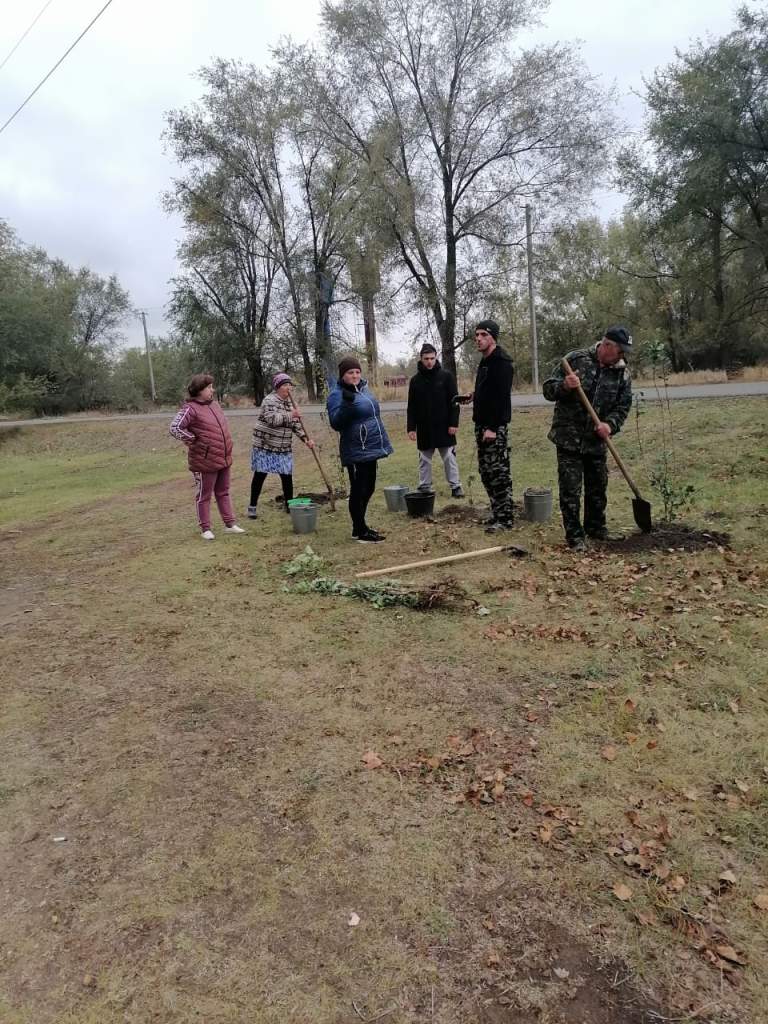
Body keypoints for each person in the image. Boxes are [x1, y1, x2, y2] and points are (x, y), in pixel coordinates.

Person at [543, 326, 633, 551]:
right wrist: (565, 385)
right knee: (571, 491)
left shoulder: (622, 373)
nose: (622, 356)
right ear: (607, 345)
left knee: (597, 487)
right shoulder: (576, 359)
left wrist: (609, 425)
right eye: (620, 351)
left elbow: (623, 407)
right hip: (568, 439)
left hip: (595, 441)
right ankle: (575, 537)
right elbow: (548, 390)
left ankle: (596, 528)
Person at [169, 373, 245, 541]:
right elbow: (175, 428)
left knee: (223, 492)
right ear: (199, 390)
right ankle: (205, 529)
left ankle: (230, 524)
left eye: (212, 386)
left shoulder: (215, 405)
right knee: (204, 495)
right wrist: (193, 440)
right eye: (209, 387)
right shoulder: (190, 408)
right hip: (204, 460)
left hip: (224, 457)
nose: (213, 390)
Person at [326, 355, 393, 543]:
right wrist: (347, 404)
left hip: (371, 446)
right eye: (350, 372)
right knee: (359, 489)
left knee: (369, 488)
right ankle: (360, 530)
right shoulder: (336, 395)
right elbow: (336, 423)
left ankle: (360, 527)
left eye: (357, 372)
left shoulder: (364, 389)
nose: (354, 375)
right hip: (355, 449)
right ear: (343, 375)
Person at [458, 319, 514, 533]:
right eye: (477, 335)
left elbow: (501, 398)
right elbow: (488, 391)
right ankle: (497, 513)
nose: (478, 339)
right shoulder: (485, 361)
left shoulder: (501, 362)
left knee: (498, 472)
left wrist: (492, 427)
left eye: (483, 335)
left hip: (494, 427)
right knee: (486, 472)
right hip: (481, 425)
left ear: (493, 337)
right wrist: (474, 396)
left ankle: (506, 519)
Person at [247, 372, 315, 519]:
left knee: (286, 476)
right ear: (278, 387)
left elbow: (296, 425)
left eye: (290, 385)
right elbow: (273, 419)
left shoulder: (291, 403)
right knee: (260, 475)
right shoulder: (269, 400)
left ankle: (290, 506)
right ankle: (252, 506)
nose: (288, 387)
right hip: (265, 445)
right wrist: (292, 414)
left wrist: (306, 439)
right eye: (285, 385)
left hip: (283, 446)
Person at [406, 342, 464, 498]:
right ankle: (424, 486)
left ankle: (456, 486)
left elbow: (455, 401)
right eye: (426, 359)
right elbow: (411, 406)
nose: (429, 361)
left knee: (449, 457)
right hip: (424, 427)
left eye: (432, 358)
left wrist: (454, 423)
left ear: (436, 357)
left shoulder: (446, 377)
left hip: (445, 426)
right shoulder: (415, 381)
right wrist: (411, 428)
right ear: (421, 359)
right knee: (424, 459)